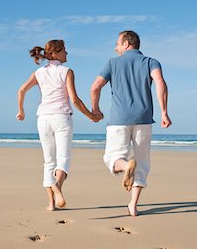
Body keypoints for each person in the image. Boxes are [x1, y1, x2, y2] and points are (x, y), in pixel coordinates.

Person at [90, 30, 171, 217]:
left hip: (119, 119)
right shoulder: (151, 62)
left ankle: (126, 167)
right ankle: (133, 206)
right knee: (142, 163)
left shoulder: (112, 63)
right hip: (144, 118)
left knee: (111, 158)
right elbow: (160, 82)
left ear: (126, 43)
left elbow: (95, 87)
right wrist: (164, 112)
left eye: (117, 43)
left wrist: (96, 109)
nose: (115, 47)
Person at [17, 39, 102, 211]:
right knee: (63, 158)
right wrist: (91, 116)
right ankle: (57, 186)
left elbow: (21, 90)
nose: (67, 53)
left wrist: (21, 111)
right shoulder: (67, 71)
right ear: (56, 53)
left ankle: (51, 204)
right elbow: (75, 100)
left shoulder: (39, 73)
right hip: (61, 117)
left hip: (43, 118)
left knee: (49, 161)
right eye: (65, 50)